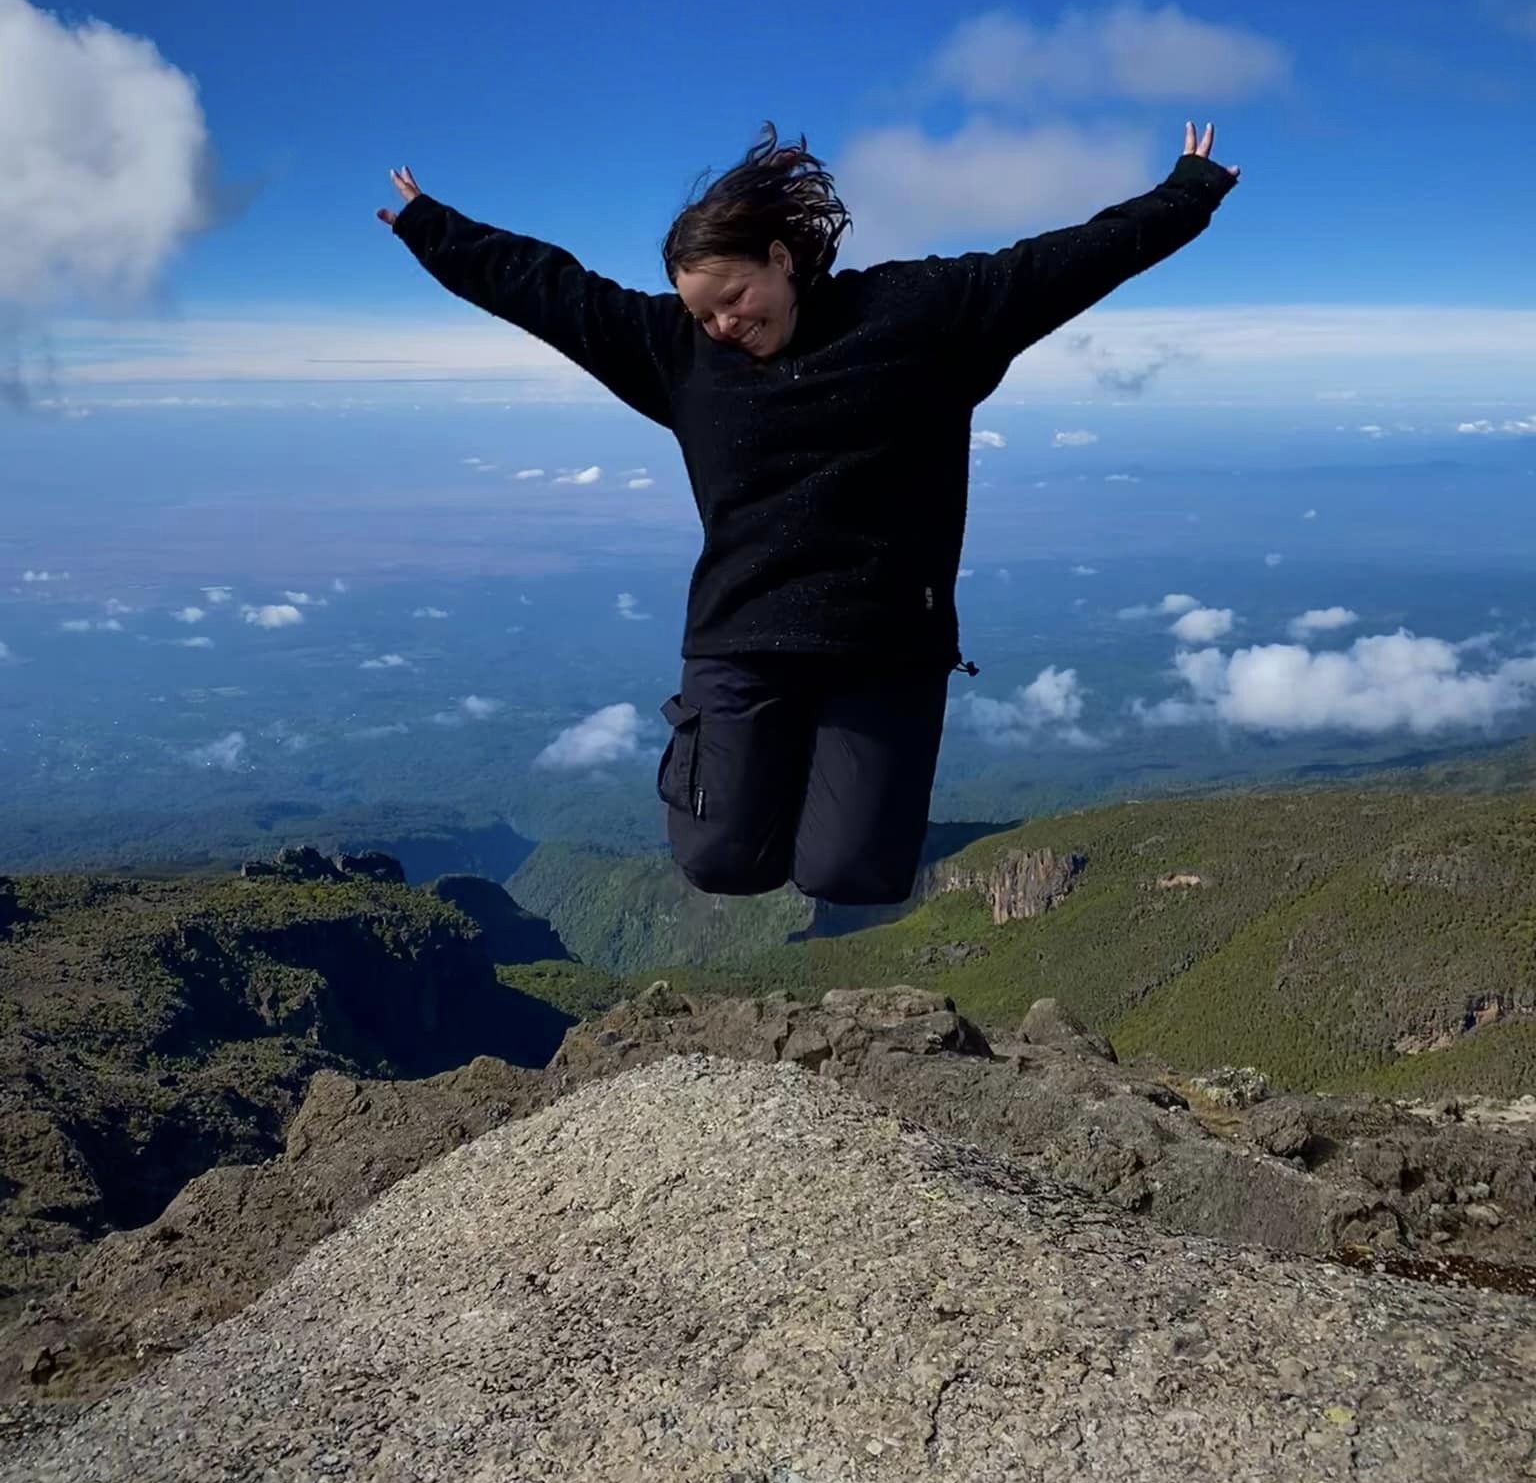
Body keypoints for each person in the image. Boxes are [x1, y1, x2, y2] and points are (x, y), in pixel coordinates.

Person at [379, 119, 1240, 915]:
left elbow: (1062, 263)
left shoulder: (920, 315)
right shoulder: (677, 355)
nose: (721, 324)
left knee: (850, 874)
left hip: (886, 643)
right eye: (700, 311)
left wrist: (1186, 192)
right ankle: (738, 769)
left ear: (783, 257)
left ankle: (846, 795)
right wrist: (434, 230)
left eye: (735, 296)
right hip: (742, 635)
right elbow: (553, 292)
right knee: (719, 859)